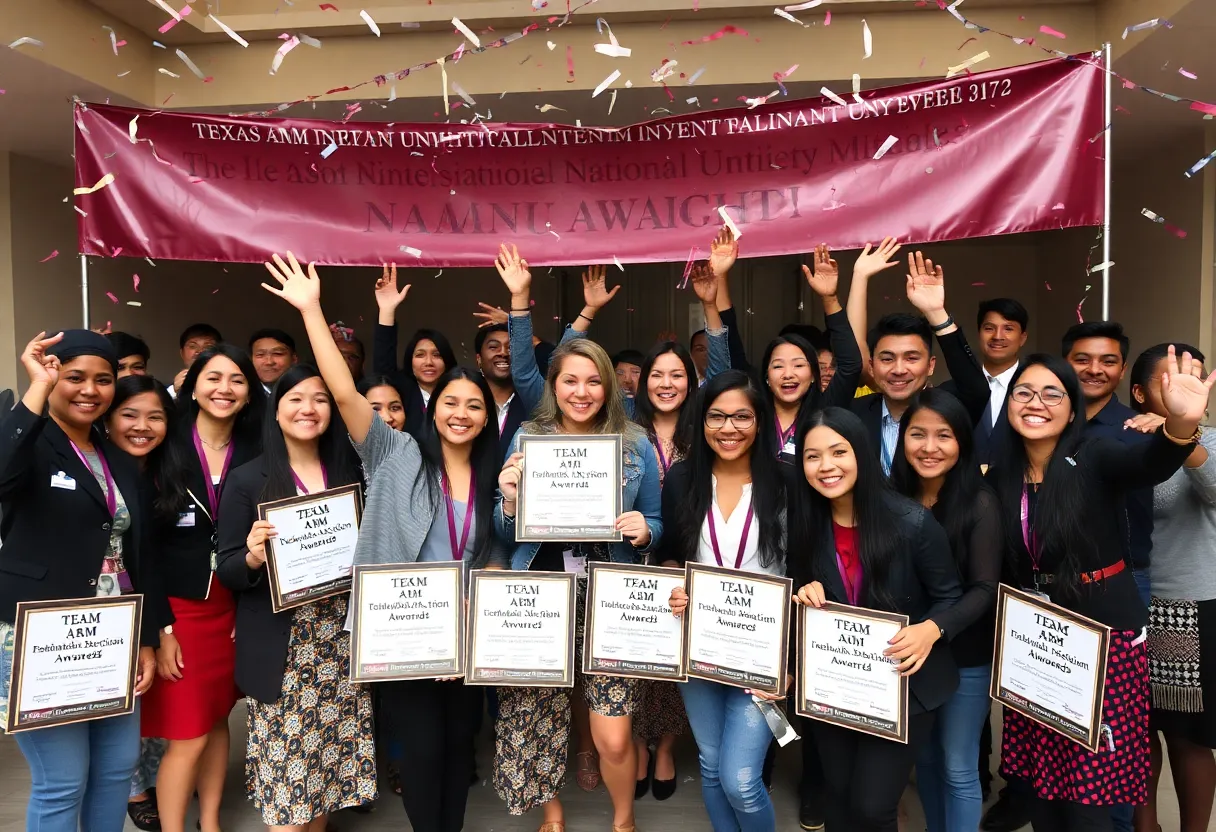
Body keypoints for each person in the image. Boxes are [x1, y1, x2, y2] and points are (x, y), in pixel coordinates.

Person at [263, 252, 508, 831]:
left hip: (468, 635)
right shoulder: (394, 456)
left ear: (485, 419)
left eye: (474, 405)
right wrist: (311, 310)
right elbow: (346, 394)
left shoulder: (497, 473)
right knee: (421, 756)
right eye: (451, 401)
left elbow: (493, 549)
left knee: (457, 751)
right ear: (433, 410)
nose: (462, 412)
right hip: (403, 633)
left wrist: (491, 580)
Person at [986, 351, 1213, 831]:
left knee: (1090, 794)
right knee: (1043, 786)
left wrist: (1179, 427)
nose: (1036, 403)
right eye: (1023, 392)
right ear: (1008, 405)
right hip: (1034, 640)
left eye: (1053, 393)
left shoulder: (1093, 455)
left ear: (1073, 409)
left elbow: (1149, 463)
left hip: (1102, 636)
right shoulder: (1000, 474)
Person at [494, 330, 662, 832]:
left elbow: (656, 519)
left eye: (593, 381)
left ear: (609, 387)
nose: (582, 392)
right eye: (571, 381)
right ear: (555, 385)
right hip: (540, 595)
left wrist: (645, 531)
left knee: (613, 736)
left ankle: (623, 820)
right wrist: (508, 500)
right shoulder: (528, 437)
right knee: (536, 716)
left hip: (611, 602)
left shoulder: (635, 443)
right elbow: (504, 533)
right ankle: (553, 813)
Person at [0, 330, 162, 832]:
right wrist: (36, 390)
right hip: (44, 638)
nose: (90, 390)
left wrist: (147, 638)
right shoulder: (30, 439)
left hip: (112, 635)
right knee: (62, 781)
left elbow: (136, 554)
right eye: (74, 377)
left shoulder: (116, 456)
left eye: (103, 380)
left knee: (115, 771)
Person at [215, 337, 376, 826]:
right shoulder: (248, 479)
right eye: (295, 399)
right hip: (283, 647)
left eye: (320, 398)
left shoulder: (351, 471)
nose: (309, 408)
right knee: (288, 783)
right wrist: (252, 556)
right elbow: (226, 570)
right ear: (275, 409)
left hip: (340, 643)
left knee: (324, 773)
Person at [788, 407, 966, 832]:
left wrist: (930, 629)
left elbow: (951, 596)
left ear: (861, 454)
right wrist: (803, 591)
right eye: (812, 457)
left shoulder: (913, 522)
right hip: (835, 683)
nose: (826, 466)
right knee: (839, 797)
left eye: (838, 452)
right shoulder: (804, 522)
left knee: (872, 807)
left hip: (902, 685)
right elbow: (797, 583)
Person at [141, 344, 264, 832]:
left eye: (236, 380)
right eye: (213, 378)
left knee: (215, 720)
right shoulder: (164, 446)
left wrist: (253, 610)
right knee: (187, 733)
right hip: (181, 611)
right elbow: (142, 547)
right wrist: (161, 627)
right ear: (191, 385)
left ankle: (209, 822)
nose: (224, 389)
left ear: (250, 393)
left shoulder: (259, 451)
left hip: (234, 604)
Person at [660, 370, 789, 831]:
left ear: (760, 421)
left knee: (740, 779)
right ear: (701, 420)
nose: (728, 428)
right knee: (712, 766)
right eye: (716, 416)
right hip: (698, 645)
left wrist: (789, 662)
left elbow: (805, 573)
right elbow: (671, 553)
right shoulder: (680, 480)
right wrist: (674, 580)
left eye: (741, 417)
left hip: (762, 652)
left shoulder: (788, 482)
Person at [628, 264, 730, 802]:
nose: (667, 384)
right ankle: (641, 747)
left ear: (692, 383)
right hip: (635, 561)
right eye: (656, 376)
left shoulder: (707, 429)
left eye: (677, 376)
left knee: (680, 664)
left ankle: (665, 747)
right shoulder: (623, 431)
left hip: (694, 561)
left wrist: (713, 306)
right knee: (640, 660)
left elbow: (728, 370)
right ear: (642, 384)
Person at [889, 390, 1003, 832]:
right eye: (918, 434)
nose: (930, 447)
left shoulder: (980, 502)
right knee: (928, 759)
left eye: (944, 436)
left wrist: (934, 628)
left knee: (958, 765)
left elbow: (984, 589)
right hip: (906, 652)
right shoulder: (889, 495)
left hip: (963, 652)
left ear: (962, 444)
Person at [1127, 343, 1216, 832]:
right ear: (1140, 392)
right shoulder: (1119, 440)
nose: (1187, 385)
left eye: (1196, 377)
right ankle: (1146, 828)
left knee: (1187, 735)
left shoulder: (1211, 440)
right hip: (1130, 605)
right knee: (1137, 732)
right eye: (1173, 378)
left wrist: (1180, 434)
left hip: (1187, 607)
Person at [709, 228, 862, 466]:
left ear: (813, 375)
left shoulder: (824, 408)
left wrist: (829, 298)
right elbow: (731, 348)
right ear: (767, 376)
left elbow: (852, 365)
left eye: (799, 365)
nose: (788, 374)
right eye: (778, 365)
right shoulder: (753, 409)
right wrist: (720, 277)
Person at [106, 375, 176, 832]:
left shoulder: (165, 470)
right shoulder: (99, 468)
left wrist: (157, 633)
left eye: (155, 416)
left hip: (143, 609)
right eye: (129, 415)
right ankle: (132, 788)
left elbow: (151, 561)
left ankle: (141, 781)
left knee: (139, 711)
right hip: (94, 615)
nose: (142, 426)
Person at [848, 252, 988, 475]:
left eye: (912, 358)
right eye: (887, 359)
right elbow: (851, 357)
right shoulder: (855, 412)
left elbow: (977, 389)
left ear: (931, 365)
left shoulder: (946, 407)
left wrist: (935, 313)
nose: (899, 369)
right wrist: (859, 277)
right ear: (872, 367)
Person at [1063, 322, 1154, 607]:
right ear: (1064, 365)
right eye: (1081, 359)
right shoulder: (1045, 423)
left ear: (1123, 369)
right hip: (1050, 576)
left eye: (1108, 361)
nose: (1094, 369)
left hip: (1121, 576)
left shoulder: (1137, 430)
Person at [373, 264, 459, 436]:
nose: (428, 362)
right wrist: (387, 310)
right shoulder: (402, 391)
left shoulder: (458, 391)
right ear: (410, 361)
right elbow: (383, 360)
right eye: (420, 355)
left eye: (437, 355)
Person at [475, 322, 529, 458]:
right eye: (493, 347)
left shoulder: (532, 404)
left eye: (511, 347)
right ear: (479, 359)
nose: (503, 353)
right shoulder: (466, 403)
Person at [172, 324, 222, 396]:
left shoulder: (226, 386)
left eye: (208, 347)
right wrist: (174, 391)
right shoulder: (168, 392)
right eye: (192, 346)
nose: (200, 351)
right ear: (182, 353)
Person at [249, 328, 298, 392]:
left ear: (294, 359)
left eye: (277, 353)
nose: (269, 362)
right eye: (260, 354)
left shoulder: (307, 390)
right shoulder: (242, 396)